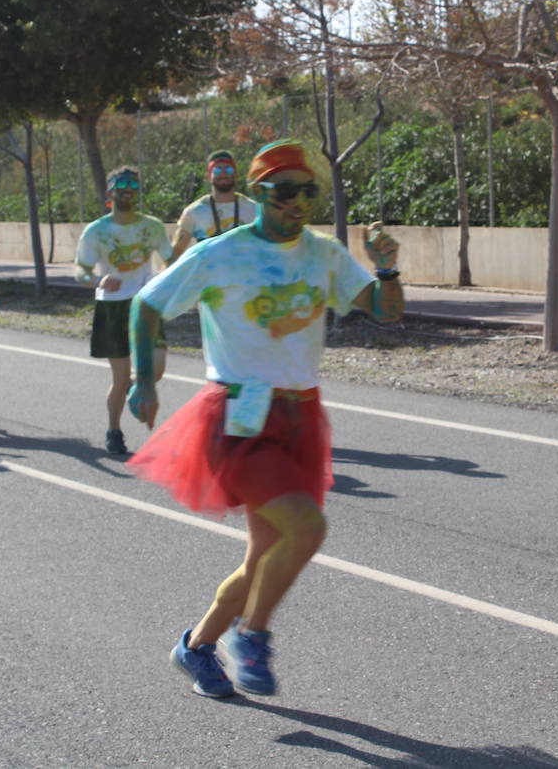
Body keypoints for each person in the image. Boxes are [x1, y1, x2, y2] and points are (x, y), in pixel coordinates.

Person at [126, 139, 404, 697]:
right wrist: (142, 378)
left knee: (262, 560)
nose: (297, 202)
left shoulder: (323, 254)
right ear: (260, 195)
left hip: (300, 417)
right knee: (307, 527)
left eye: (307, 191)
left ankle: (196, 646)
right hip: (238, 417)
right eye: (283, 192)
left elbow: (382, 310)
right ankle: (251, 635)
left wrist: (388, 268)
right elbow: (147, 303)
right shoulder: (220, 253)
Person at [74, 166, 173, 455]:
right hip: (112, 307)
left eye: (133, 184)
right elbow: (80, 269)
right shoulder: (97, 230)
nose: (127, 188)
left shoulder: (153, 227)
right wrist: (97, 280)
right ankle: (114, 431)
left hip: (146, 304)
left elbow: (170, 259)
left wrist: (165, 278)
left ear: (139, 191)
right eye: (121, 184)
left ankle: (135, 387)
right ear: (110, 192)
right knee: (119, 378)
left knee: (156, 368)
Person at [170, 150, 257, 262]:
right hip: (208, 277)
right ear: (208, 176)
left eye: (229, 169)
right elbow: (177, 251)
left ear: (236, 174)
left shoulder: (254, 209)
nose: (223, 174)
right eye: (217, 170)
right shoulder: (195, 211)